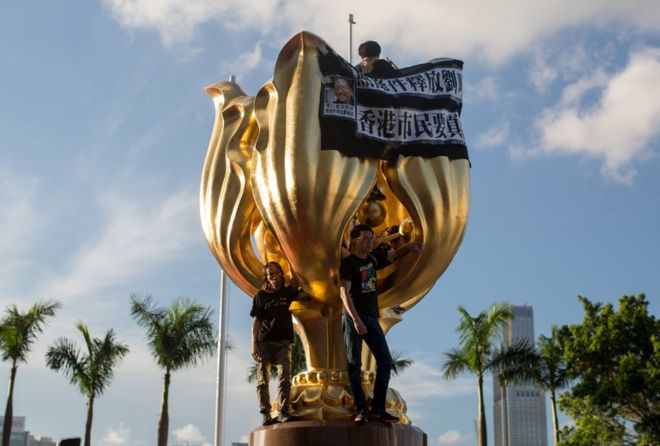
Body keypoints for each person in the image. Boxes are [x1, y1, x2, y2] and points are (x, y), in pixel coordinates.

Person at [339, 224, 423, 425]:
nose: (370, 241)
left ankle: (377, 408)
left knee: (385, 361)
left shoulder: (372, 259)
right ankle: (361, 409)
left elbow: (392, 255)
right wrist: (356, 320)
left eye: (371, 237)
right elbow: (344, 293)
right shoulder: (349, 263)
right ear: (355, 241)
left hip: (371, 317)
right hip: (353, 319)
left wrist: (409, 246)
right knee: (354, 364)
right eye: (366, 238)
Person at [250, 261, 300, 425]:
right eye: (270, 274)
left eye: (276, 273)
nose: (273, 276)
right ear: (267, 277)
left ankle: (283, 411)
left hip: (283, 342)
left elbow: (295, 282)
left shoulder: (286, 293)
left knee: (284, 377)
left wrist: (290, 263)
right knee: (262, 380)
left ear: (281, 274)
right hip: (265, 341)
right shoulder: (261, 296)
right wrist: (254, 344)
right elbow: (256, 321)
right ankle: (265, 413)